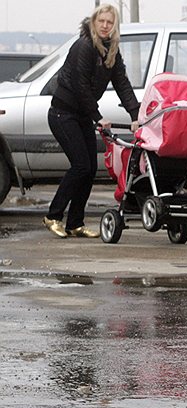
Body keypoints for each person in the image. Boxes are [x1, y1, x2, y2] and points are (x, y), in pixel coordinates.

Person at [43, 4, 140, 239]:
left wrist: (136, 115)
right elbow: (80, 87)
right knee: (80, 166)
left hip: (82, 115)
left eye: (110, 22)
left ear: (114, 26)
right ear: (94, 23)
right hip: (62, 113)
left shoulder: (111, 50)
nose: (105, 26)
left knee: (90, 170)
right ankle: (53, 216)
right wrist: (98, 117)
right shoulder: (84, 46)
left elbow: (122, 84)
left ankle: (75, 223)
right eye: (102, 21)